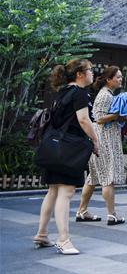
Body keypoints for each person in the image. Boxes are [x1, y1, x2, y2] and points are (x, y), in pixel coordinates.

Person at [33, 59, 99, 255]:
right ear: (80, 74)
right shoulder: (79, 93)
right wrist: (95, 141)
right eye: (90, 70)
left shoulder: (63, 92)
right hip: (70, 150)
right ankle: (63, 240)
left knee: (53, 191)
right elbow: (84, 120)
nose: (92, 73)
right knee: (66, 193)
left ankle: (42, 234)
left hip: (54, 148)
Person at [76, 66, 126, 226]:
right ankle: (112, 215)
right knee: (107, 178)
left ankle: (81, 211)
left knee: (93, 178)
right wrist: (117, 115)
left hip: (102, 139)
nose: (120, 79)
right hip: (103, 140)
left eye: (121, 77)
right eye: (118, 77)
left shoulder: (108, 94)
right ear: (108, 79)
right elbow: (98, 118)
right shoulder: (105, 95)